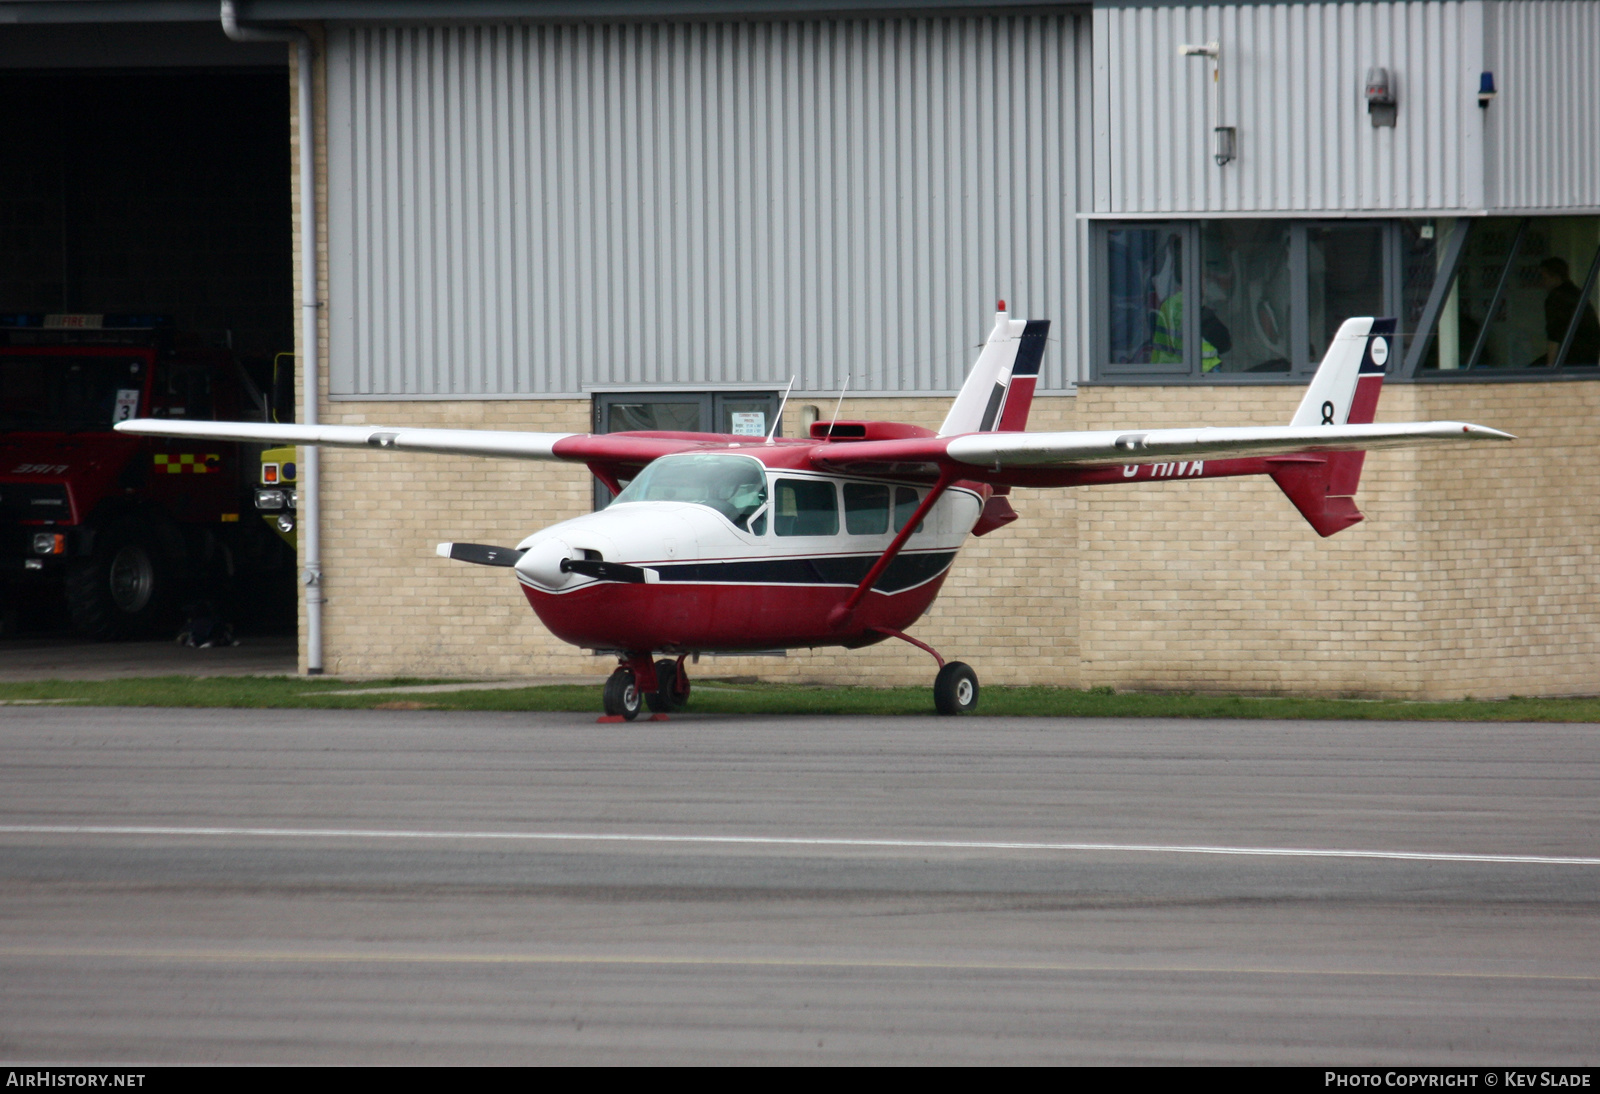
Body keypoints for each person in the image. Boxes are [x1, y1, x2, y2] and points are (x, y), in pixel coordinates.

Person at [1535, 256, 1600, 367]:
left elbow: (1554, 334)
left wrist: (1550, 366)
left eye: (1544, 277)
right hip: (1588, 356)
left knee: (1527, 375)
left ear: (1555, 276)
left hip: (1573, 357)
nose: (1542, 282)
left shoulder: (1557, 297)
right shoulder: (1576, 293)